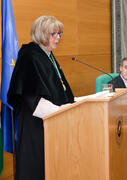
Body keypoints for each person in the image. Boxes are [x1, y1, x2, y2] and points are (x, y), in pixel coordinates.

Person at [7, 15, 74, 180]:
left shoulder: (47, 55)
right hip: (35, 122)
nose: (58, 37)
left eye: (59, 34)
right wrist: (60, 113)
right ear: (42, 34)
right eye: (54, 34)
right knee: (35, 167)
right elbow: (30, 95)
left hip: (51, 121)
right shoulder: (30, 55)